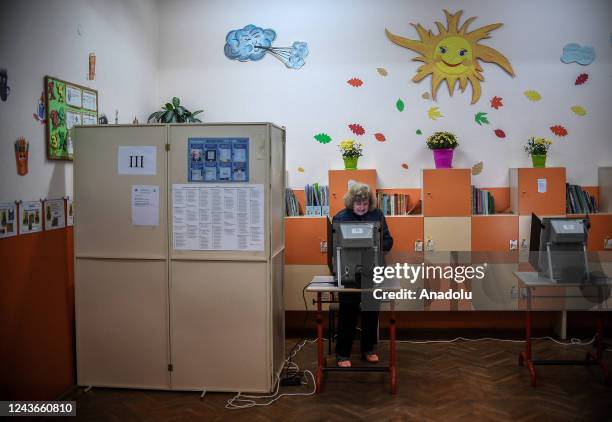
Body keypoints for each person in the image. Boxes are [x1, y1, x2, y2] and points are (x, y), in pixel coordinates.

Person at [332, 182, 393, 367]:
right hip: (348, 274)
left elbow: (388, 240)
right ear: (351, 202)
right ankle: (343, 354)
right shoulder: (340, 217)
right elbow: (334, 249)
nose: (362, 207)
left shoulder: (378, 215)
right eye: (358, 203)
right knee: (347, 314)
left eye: (365, 203)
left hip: (372, 272)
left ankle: (369, 349)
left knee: (371, 312)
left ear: (370, 203)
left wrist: (378, 246)